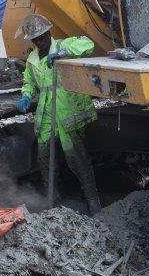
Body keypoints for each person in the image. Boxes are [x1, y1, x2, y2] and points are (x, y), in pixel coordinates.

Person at [15, 14, 101, 213]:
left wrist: (62, 52)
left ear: (49, 33)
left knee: (76, 157)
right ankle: (53, 199)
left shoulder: (65, 45)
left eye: (42, 38)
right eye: (35, 40)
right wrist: (26, 95)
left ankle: (92, 199)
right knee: (44, 157)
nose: (39, 43)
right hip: (46, 113)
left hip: (67, 110)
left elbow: (88, 45)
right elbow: (29, 82)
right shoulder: (32, 59)